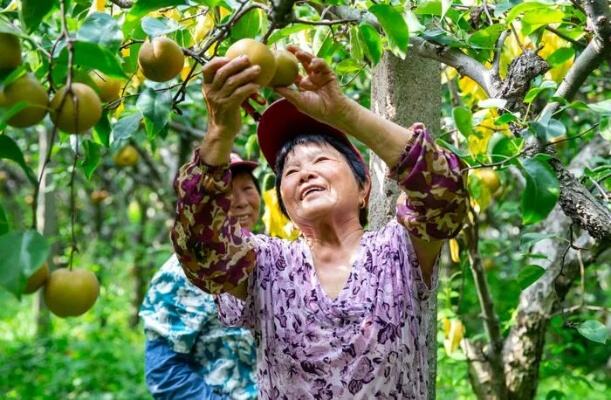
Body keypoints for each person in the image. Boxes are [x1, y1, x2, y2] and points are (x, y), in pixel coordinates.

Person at [171, 45, 468, 399]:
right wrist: (219, 132)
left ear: (364, 188)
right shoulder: (267, 264)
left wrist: (344, 114)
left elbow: (445, 191)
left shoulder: (398, 250)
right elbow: (201, 252)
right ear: (284, 204)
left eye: (321, 160)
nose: (305, 172)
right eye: (291, 171)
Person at [140, 153, 260, 400]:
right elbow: (165, 373)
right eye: (225, 192)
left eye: (247, 188)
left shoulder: (269, 258)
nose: (240, 202)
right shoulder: (178, 275)